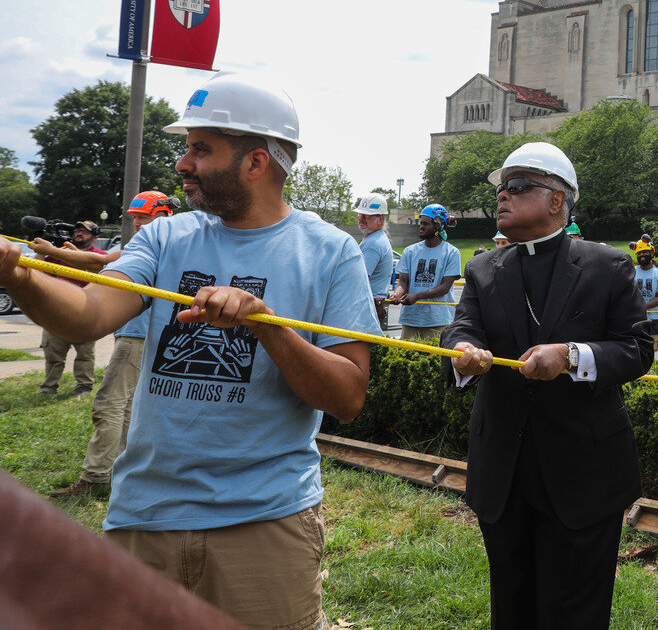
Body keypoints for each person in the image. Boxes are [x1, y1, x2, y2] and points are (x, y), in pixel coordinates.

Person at [0, 71, 378, 628]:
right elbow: (88, 317)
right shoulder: (163, 237)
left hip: (265, 522)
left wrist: (266, 325)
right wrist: (19, 277)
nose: (183, 163)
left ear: (257, 162)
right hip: (144, 515)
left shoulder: (330, 252)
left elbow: (346, 396)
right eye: (187, 148)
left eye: (201, 149)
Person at [444, 141, 653, 629]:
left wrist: (572, 356)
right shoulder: (482, 269)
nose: (502, 196)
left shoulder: (607, 266)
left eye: (518, 187)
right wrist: (464, 355)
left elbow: (637, 350)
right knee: (511, 606)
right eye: (501, 187)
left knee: (575, 612)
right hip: (503, 472)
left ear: (557, 199)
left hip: (583, 473)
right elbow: (461, 330)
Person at [50, 192, 177, 498]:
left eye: (143, 217)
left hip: (136, 336)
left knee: (109, 403)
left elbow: (100, 261)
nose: (136, 223)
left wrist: (45, 250)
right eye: (134, 217)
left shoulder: (156, 242)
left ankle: (95, 478)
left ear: (163, 216)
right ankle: (119, 469)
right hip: (142, 333)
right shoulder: (167, 242)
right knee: (129, 407)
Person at [29, 219, 113, 395]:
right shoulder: (59, 253)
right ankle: (49, 387)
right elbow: (35, 270)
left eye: (85, 231)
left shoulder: (99, 256)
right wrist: (46, 249)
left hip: (85, 310)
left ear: (95, 236)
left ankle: (84, 386)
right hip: (56, 311)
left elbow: (104, 278)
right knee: (53, 354)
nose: (79, 233)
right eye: (77, 230)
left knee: (85, 354)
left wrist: (78, 258)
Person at [387, 204, 462, 343]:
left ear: (438, 225)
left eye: (425, 224)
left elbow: (445, 287)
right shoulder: (409, 251)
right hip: (410, 320)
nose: (421, 226)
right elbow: (403, 281)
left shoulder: (452, 253)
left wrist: (417, 296)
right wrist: (397, 294)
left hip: (438, 322)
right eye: (420, 223)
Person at [354, 193, 394, 330]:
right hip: (374, 306)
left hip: (368, 307)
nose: (361, 218)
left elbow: (357, 279)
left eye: (367, 215)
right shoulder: (376, 239)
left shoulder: (372, 244)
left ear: (380, 219)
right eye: (360, 214)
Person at [632, 238, 658, 336]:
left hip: (652, 320)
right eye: (639, 253)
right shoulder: (632, 271)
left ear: (652, 254)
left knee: (651, 350)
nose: (642, 255)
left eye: (645, 252)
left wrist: (641, 307)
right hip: (633, 319)